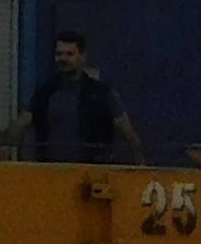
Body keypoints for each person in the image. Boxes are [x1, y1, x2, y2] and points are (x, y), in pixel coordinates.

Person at [25, 29, 145, 163]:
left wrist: (140, 163)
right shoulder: (44, 93)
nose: (63, 59)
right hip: (51, 173)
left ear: (83, 56)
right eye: (59, 54)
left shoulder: (102, 93)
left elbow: (127, 131)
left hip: (93, 173)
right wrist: (4, 146)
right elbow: (22, 123)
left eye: (70, 54)